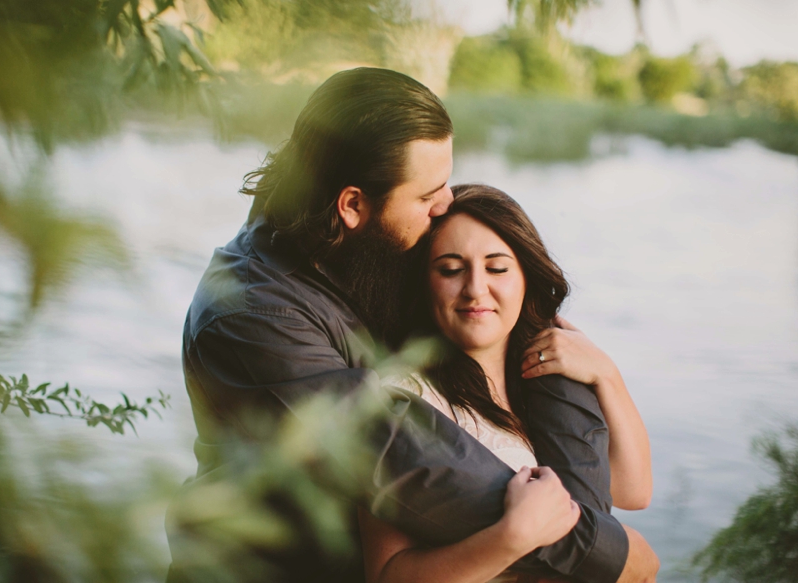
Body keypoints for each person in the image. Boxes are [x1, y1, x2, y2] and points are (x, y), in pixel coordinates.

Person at [167, 67, 658, 583]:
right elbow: (393, 449)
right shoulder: (252, 313)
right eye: (428, 196)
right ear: (352, 204)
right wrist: (598, 553)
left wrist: (595, 372)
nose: (445, 205)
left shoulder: (358, 241)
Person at [358, 184, 657, 583]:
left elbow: (632, 491)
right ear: (423, 282)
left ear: (526, 278)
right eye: (450, 269)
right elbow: (388, 574)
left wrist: (607, 374)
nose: (475, 289)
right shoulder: (403, 398)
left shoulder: (551, 379)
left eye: (497, 268)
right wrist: (512, 538)